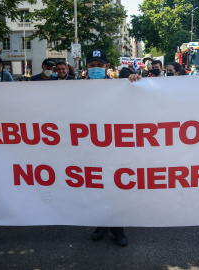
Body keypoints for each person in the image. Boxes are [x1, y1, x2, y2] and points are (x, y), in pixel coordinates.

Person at [86, 49, 141, 246]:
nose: (96, 69)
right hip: (90, 147)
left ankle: (117, 229)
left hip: (115, 146)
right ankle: (102, 224)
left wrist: (135, 80)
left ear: (107, 67)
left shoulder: (121, 86)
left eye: (99, 65)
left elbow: (137, 100)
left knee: (115, 188)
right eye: (92, 65)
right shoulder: (74, 88)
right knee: (98, 189)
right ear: (86, 67)